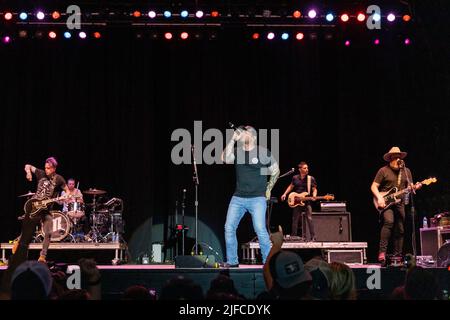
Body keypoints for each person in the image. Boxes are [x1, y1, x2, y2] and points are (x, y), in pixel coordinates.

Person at [221, 125, 280, 267]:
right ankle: (232, 261)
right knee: (229, 227)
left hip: (257, 198)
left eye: (244, 132)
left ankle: (268, 262)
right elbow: (224, 158)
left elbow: (275, 170)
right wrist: (232, 139)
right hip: (238, 197)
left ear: (252, 136)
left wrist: (269, 188)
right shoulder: (237, 151)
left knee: (260, 229)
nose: (240, 134)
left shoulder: (262, 152)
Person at [371, 147, 422, 264]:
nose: (398, 159)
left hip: (400, 202)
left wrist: (416, 186)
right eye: (395, 157)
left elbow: (411, 187)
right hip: (385, 201)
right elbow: (373, 186)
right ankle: (382, 253)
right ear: (390, 159)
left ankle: (397, 255)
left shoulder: (406, 171)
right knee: (389, 221)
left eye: (399, 157)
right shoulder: (383, 171)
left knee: (400, 228)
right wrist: (379, 198)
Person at [14, 157, 69, 263]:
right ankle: (19, 242)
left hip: (46, 209)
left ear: (54, 169)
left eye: (48, 168)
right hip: (35, 207)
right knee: (26, 232)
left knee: (48, 232)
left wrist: (65, 196)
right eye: (46, 168)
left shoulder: (59, 179)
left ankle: (42, 256)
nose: (46, 170)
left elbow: (66, 190)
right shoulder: (40, 173)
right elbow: (27, 165)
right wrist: (28, 173)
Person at [281, 162, 317, 240]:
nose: (307, 169)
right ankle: (293, 237)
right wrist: (284, 194)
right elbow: (291, 186)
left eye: (307, 168)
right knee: (295, 219)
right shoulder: (295, 178)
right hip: (296, 201)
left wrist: (314, 195)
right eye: (305, 168)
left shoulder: (311, 179)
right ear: (300, 169)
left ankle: (313, 237)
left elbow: (314, 189)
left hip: (307, 201)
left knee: (309, 218)